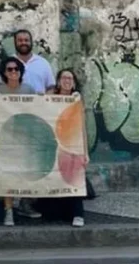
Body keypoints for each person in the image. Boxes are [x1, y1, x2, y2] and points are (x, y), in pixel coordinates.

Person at [0, 56, 40, 226]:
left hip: (25, 138)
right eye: (9, 69)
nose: (13, 72)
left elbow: (37, 110)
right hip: (5, 139)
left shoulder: (28, 89)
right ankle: (8, 211)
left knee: (27, 172)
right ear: (4, 72)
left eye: (16, 69)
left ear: (21, 71)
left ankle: (25, 204)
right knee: (8, 175)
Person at [39, 68, 87, 227]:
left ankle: (78, 214)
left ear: (74, 83)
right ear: (58, 81)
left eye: (70, 78)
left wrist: (85, 152)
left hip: (73, 145)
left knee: (74, 178)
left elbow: (82, 129)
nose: (67, 81)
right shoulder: (50, 99)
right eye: (64, 78)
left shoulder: (77, 101)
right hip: (53, 145)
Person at [13, 29, 55, 94]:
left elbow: (51, 87)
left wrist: (44, 101)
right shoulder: (8, 63)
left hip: (39, 103)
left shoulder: (43, 63)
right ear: (15, 43)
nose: (23, 43)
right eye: (20, 40)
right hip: (13, 104)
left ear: (31, 42)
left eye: (26, 40)